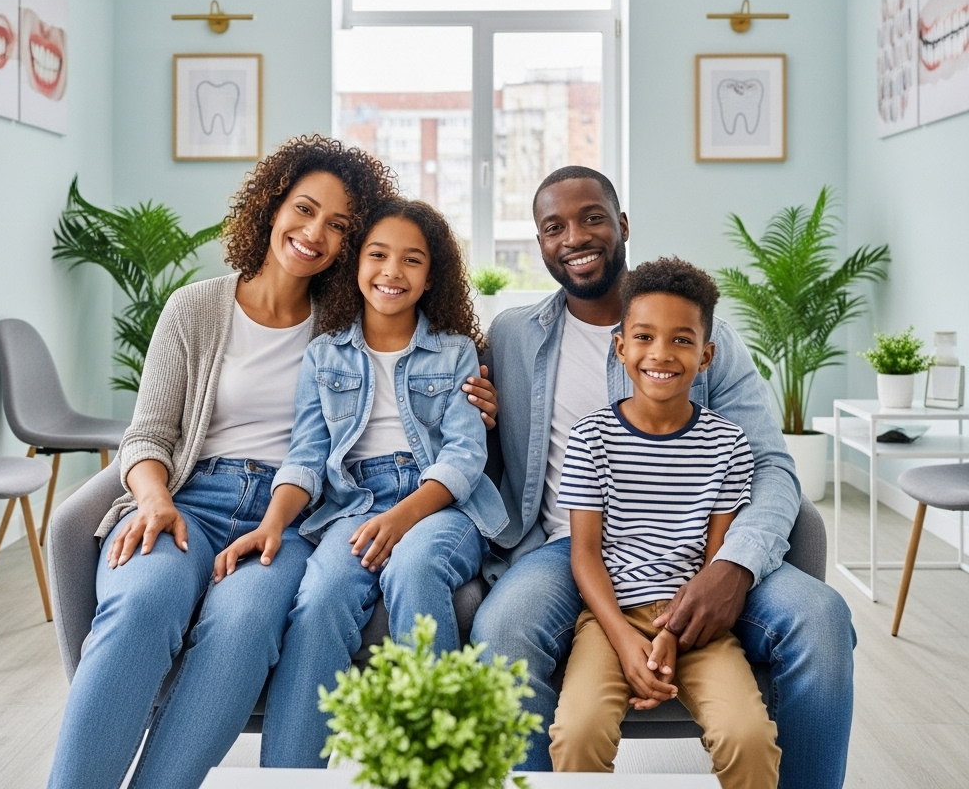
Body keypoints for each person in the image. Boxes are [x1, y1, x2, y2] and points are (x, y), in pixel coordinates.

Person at [471, 166, 855, 789]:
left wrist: (734, 564)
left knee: (822, 617)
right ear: (538, 244)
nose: (574, 237)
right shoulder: (513, 334)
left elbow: (772, 466)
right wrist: (473, 410)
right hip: (571, 545)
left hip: (698, 544)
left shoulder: (706, 340)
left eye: (592, 217)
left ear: (622, 225)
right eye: (553, 227)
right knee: (502, 627)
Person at [47, 135, 405, 789]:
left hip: (288, 520)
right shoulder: (195, 308)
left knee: (243, 623)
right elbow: (147, 433)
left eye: (338, 225)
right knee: (143, 604)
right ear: (271, 208)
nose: (314, 232)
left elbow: (425, 356)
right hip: (186, 501)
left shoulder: (347, 326)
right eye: (304, 209)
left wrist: (478, 391)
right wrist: (154, 499)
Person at [215, 198, 509, 768]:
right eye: (377, 255)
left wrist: (403, 518)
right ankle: (291, 779)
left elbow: (467, 454)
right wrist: (274, 523)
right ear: (355, 264)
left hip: (441, 505)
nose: (392, 272)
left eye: (412, 261)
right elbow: (306, 452)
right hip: (352, 505)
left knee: (414, 565)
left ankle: (434, 767)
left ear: (431, 278)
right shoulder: (324, 355)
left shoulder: (454, 353)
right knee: (319, 598)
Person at [549, 257, 779, 789]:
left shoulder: (728, 445)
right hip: (610, 620)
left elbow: (714, 560)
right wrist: (628, 642)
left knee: (748, 737)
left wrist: (671, 634)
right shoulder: (591, 439)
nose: (660, 354)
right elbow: (584, 554)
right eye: (644, 337)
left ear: (706, 355)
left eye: (681, 340)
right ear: (621, 347)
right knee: (577, 733)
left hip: (696, 623)